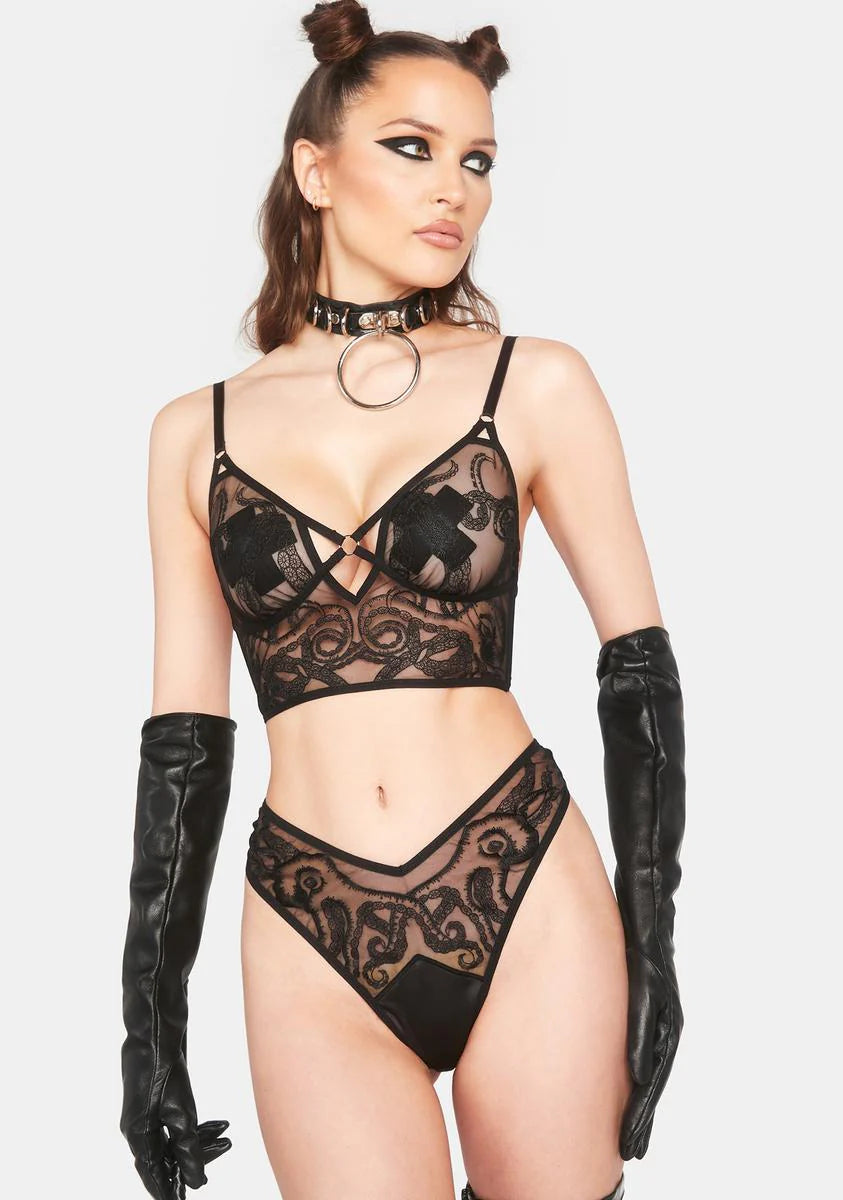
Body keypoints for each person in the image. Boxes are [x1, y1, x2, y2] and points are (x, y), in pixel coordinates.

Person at [119, 3, 686, 1198]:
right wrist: (148, 1029)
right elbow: (185, 742)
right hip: (305, 914)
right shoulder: (192, 433)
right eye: (413, 148)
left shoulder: (536, 382)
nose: (454, 190)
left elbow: (637, 667)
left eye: (478, 161)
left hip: (521, 877)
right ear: (315, 172)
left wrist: (655, 939)